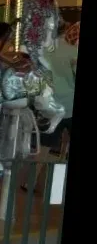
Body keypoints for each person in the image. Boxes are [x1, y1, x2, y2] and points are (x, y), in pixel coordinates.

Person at [41, 21, 78, 155]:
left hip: (49, 101)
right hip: (69, 101)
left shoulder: (45, 49)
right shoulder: (72, 50)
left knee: (46, 145)